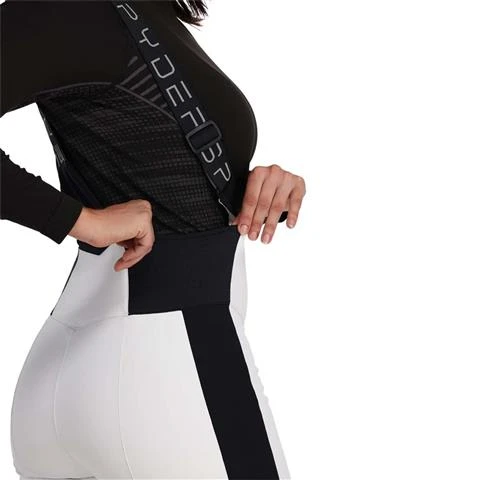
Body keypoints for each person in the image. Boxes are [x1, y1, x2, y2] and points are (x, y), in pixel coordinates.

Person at [0, 1, 306, 479]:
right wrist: (82, 221)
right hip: (170, 365)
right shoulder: (74, 10)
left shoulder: (141, 12)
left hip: (74, 374)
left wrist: (258, 184)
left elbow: (158, 158)